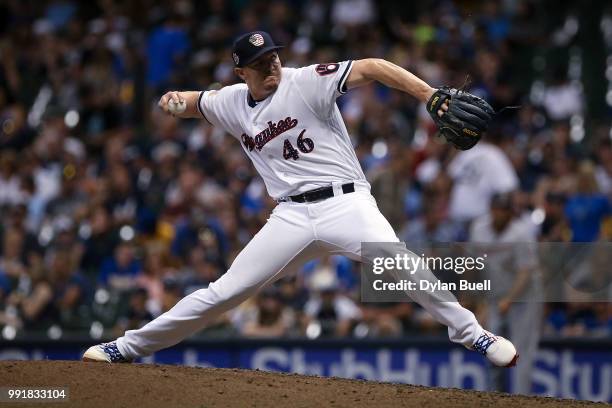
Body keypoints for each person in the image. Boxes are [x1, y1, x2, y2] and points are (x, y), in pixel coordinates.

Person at [83, 31, 517, 367]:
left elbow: (373, 67)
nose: (270, 63)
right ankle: (126, 346)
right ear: (241, 72)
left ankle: (474, 334)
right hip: (290, 215)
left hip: (346, 203)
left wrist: (428, 95)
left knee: (399, 263)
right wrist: (173, 101)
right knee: (224, 292)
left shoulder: (307, 80)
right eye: (258, 62)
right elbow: (195, 102)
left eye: (272, 55)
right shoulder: (232, 101)